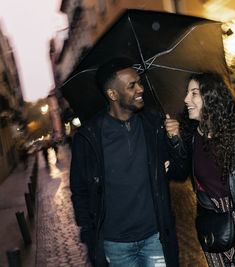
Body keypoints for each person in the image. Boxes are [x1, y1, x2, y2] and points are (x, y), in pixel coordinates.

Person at [70, 57, 182, 267]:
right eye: (132, 86)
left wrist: (175, 142)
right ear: (112, 94)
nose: (141, 89)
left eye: (139, 82)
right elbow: (80, 191)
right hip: (115, 245)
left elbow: (179, 172)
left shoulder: (154, 125)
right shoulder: (89, 137)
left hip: (155, 238)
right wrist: (90, 234)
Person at [168, 72, 235, 267]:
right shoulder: (192, 138)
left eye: (194, 93)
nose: (186, 99)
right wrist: (176, 141)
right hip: (211, 224)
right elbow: (179, 173)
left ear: (211, 98)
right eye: (187, 93)